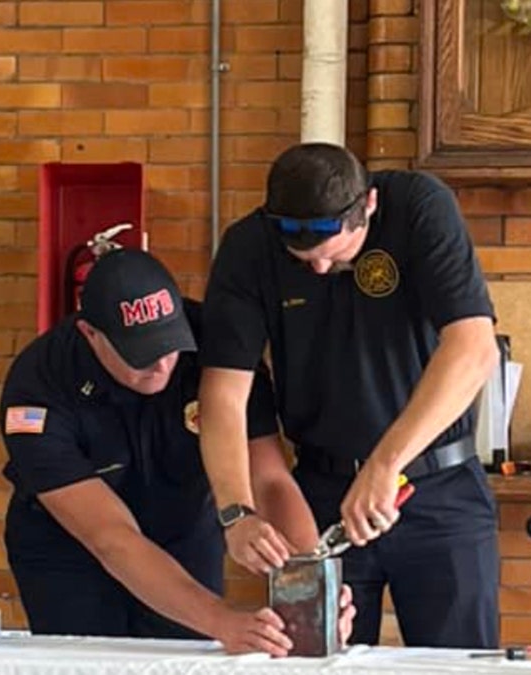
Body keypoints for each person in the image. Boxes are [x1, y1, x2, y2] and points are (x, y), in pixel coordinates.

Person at [198, 142, 501, 649]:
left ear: (370, 206)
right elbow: (224, 395)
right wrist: (236, 511)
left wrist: (384, 466)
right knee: (315, 655)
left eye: (333, 256)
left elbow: (474, 348)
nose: (317, 271)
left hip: (439, 489)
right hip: (321, 493)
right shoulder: (249, 247)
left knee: (460, 660)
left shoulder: (418, 207)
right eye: (304, 260)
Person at [0, 248, 351, 653]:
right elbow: (110, 538)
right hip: (68, 547)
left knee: (187, 655)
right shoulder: (39, 384)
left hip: (184, 524)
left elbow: (269, 478)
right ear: (90, 334)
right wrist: (223, 621)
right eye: (140, 354)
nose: (161, 365)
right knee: (91, 658)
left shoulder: (218, 347)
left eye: (169, 345)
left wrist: (314, 585)